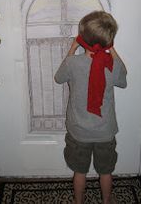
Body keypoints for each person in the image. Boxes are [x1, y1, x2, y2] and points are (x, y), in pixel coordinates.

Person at [54, 11, 127, 204]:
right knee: (106, 171)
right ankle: (106, 200)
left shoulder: (72, 63)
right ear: (109, 41)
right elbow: (123, 79)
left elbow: (58, 77)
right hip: (105, 131)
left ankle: (78, 201)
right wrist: (111, 50)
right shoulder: (112, 65)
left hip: (79, 132)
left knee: (80, 171)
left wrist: (72, 47)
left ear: (82, 39)